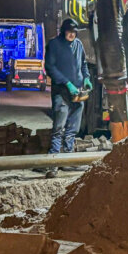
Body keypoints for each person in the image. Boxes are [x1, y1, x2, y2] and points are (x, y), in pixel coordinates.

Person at [39, 19, 93, 177]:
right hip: (61, 93)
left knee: (72, 129)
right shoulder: (54, 45)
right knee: (58, 128)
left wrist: (86, 78)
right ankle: (53, 163)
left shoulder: (78, 44)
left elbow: (83, 64)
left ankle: (68, 160)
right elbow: (50, 67)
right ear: (63, 31)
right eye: (69, 31)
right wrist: (67, 83)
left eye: (74, 32)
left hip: (77, 94)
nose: (72, 34)